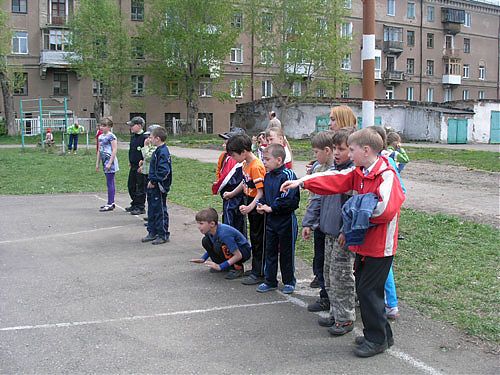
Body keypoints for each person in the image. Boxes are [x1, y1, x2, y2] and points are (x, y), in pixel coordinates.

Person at [281, 128, 405, 357]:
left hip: (380, 246)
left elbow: (386, 209)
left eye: (353, 149)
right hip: (364, 244)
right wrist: (302, 182)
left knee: (368, 291)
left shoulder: (386, 174)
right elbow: (334, 179)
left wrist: (360, 210)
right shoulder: (359, 171)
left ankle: (377, 339)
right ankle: (379, 336)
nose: (350, 153)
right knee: (366, 290)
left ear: (366, 150)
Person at [308, 129, 358, 336]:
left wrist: (345, 230)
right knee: (329, 276)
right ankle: (335, 312)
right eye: (335, 149)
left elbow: (353, 208)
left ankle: (345, 318)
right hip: (327, 231)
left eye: (342, 149)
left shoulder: (351, 175)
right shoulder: (332, 171)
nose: (337, 153)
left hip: (341, 236)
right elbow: (319, 198)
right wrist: (312, 222)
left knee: (342, 278)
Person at [256, 144, 300, 294]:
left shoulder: (288, 175)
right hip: (270, 221)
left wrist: (272, 208)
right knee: (270, 250)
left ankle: (289, 281)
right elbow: (266, 196)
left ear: (279, 160)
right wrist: (261, 205)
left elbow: (288, 198)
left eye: (267, 159)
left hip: (286, 220)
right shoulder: (267, 176)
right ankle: (270, 280)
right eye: (263, 159)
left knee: (287, 252)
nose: (264, 162)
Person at [223, 134, 266, 286]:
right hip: (250, 202)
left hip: (257, 207)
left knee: (258, 240)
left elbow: (260, 192)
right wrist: (232, 193)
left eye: (234, 155)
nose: (233, 158)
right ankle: (256, 269)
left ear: (243, 152)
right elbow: (244, 183)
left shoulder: (256, 166)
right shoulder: (245, 165)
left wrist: (250, 207)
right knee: (254, 239)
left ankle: (259, 272)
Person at [302, 131, 336, 311]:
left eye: (316, 152)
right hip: (319, 223)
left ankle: (331, 298)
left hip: (331, 224)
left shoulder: (336, 172)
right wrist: (309, 222)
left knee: (330, 264)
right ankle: (325, 295)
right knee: (320, 259)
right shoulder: (317, 169)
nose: (314, 156)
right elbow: (314, 198)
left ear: (328, 150)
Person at [190, 208, 251, 280]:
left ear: (212, 224)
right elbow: (211, 245)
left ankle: (237, 268)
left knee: (219, 245)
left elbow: (238, 255)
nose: (198, 226)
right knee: (206, 241)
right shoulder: (210, 231)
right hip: (232, 250)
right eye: (198, 223)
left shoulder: (224, 234)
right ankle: (224, 265)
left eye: (201, 223)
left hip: (242, 251)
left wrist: (220, 266)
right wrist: (203, 258)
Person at [141, 126, 172, 245]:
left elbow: (164, 171)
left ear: (157, 138)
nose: (150, 139)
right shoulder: (157, 150)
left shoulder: (163, 152)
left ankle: (163, 234)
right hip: (153, 185)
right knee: (152, 209)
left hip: (159, 186)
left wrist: (154, 181)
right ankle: (152, 231)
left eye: (151, 137)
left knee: (160, 210)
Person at [213, 132, 245, 235]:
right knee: (228, 216)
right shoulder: (225, 156)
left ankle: (231, 240)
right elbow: (220, 171)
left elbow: (233, 179)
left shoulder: (236, 159)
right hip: (227, 193)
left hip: (234, 193)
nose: (223, 145)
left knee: (234, 218)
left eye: (226, 142)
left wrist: (227, 189)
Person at [126, 116, 148, 215]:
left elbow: (146, 153)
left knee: (140, 186)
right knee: (131, 185)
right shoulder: (133, 137)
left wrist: (143, 164)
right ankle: (134, 203)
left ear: (139, 126)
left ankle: (140, 206)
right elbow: (132, 150)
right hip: (133, 165)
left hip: (141, 166)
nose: (131, 127)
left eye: (132, 125)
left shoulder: (144, 138)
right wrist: (130, 161)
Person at [95, 117, 119, 212]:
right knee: (109, 182)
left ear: (109, 127)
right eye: (101, 125)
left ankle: (110, 203)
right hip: (104, 160)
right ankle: (110, 202)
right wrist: (97, 163)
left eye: (104, 126)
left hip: (110, 161)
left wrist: (110, 162)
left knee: (110, 182)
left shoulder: (111, 136)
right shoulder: (101, 137)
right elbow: (99, 150)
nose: (102, 127)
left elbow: (114, 149)